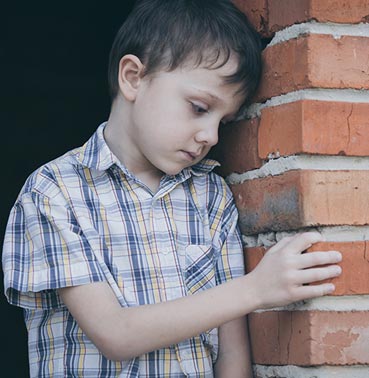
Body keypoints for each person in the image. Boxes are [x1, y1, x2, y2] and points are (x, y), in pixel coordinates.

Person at [2, 0, 342, 377]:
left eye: (223, 122)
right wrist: (257, 289)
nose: (210, 136)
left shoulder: (210, 197)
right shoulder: (55, 192)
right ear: (133, 78)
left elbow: (232, 358)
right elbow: (115, 334)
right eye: (199, 107)